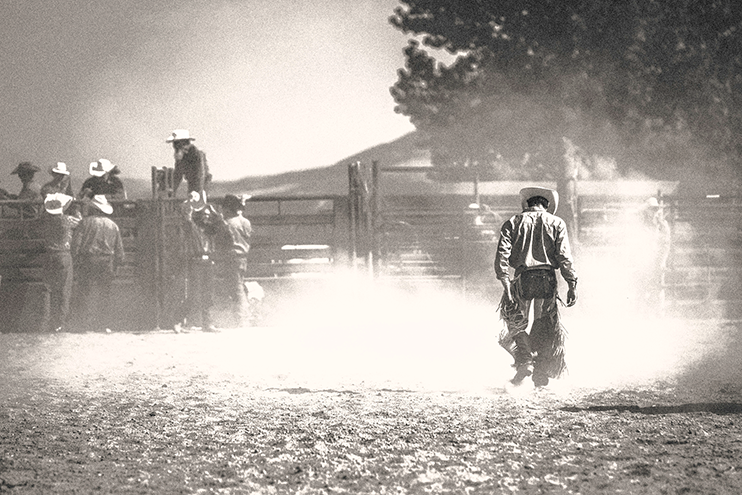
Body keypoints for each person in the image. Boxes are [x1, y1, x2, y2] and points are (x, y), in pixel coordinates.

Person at [494, 186, 578, 387]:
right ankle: (541, 369)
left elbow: (502, 254)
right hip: (547, 277)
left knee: (515, 319)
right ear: (547, 205)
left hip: (523, 277)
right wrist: (571, 283)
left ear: (528, 204)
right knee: (545, 322)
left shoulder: (513, 222)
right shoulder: (557, 222)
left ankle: (525, 360)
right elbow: (564, 257)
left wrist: (504, 279)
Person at [71, 194, 125, 331]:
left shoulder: (85, 223)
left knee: (84, 292)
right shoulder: (113, 225)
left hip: (88, 260)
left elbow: (76, 244)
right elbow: (119, 249)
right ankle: (103, 324)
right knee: (104, 293)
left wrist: (75, 259)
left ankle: (82, 324)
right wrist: (119, 262)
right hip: (107, 261)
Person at [174, 198, 226, 332]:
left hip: (208, 262)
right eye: (204, 215)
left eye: (208, 215)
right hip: (196, 261)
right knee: (194, 294)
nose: (206, 217)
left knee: (208, 294)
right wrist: (190, 212)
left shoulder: (211, 230)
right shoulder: (193, 228)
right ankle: (178, 320)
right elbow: (187, 221)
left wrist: (217, 215)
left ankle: (207, 323)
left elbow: (223, 228)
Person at [40, 193, 81, 332]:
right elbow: (80, 221)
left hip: (48, 255)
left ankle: (44, 321)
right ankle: (60, 323)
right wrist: (75, 208)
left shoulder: (44, 221)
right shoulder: (67, 220)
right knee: (64, 289)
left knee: (47, 289)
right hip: (63, 255)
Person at [219, 194, 253, 327]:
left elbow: (221, 241)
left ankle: (241, 319)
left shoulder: (227, 224)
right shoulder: (245, 222)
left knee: (236, 289)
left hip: (231, 257)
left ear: (228, 209)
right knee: (239, 285)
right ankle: (243, 317)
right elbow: (249, 237)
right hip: (243, 257)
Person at [166, 129, 211, 202]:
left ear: (184, 143)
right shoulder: (181, 156)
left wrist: (197, 193)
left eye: (176, 143)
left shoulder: (197, 154)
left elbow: (200, 175)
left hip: (202, 186)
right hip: (191, 184)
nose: (174, 146)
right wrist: (172, 191)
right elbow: (178, 175)